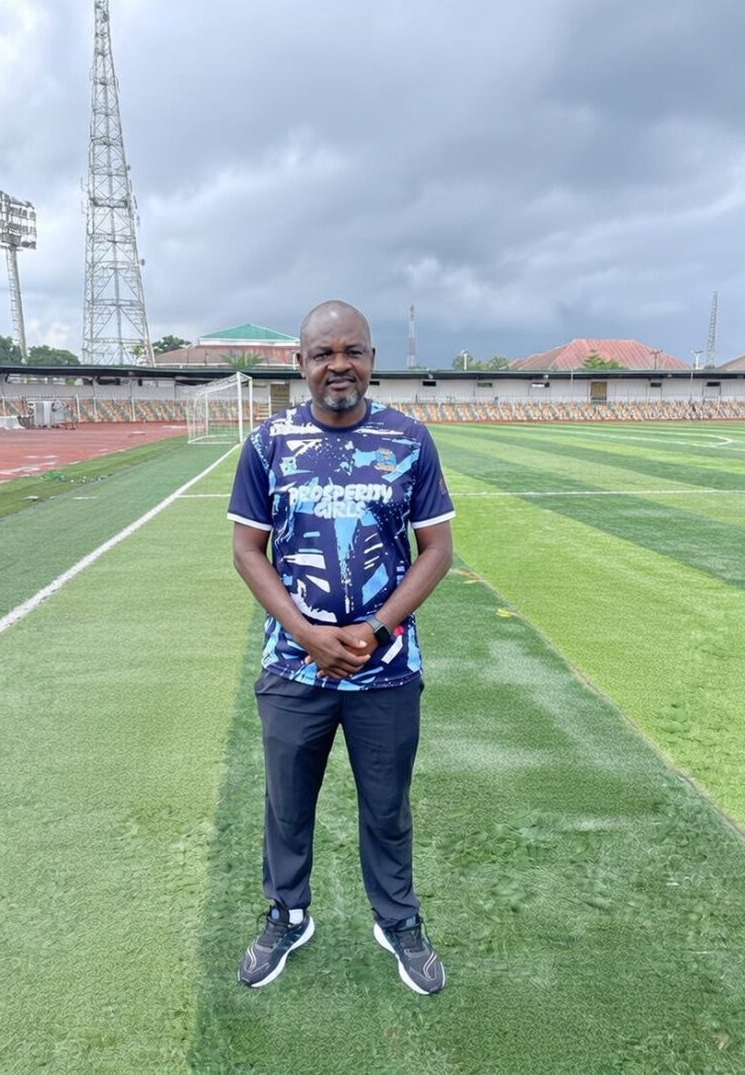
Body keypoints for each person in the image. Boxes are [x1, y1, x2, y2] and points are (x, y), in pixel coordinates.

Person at [227, 299, 455, 994]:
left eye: (352, 350)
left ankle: (398, 918)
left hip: (386, 670)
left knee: (387, 805)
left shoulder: (409, 439)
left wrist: (377, 629)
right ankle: (287, 914)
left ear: (372, 359)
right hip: (294, 667)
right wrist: (307, 633)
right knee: (287, 804)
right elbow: (247, 550)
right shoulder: (268, 443)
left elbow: (437, 550)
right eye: (323, 353)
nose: (339, 365)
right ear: (301, 363)